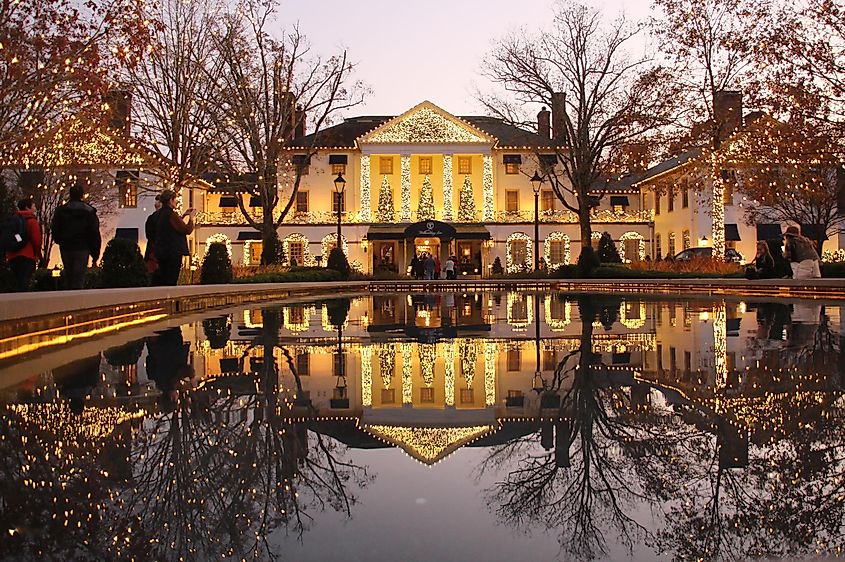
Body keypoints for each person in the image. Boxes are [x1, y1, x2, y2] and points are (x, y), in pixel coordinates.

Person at [51, 185, 101, 289]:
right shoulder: (89, 211)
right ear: (82, 195)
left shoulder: (61, 211)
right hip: (83, 247)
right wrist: (95, 253)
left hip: (66, 246)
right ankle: (76, 299)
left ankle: (68, 298)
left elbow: (55, 228)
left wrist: (59, 240)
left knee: (68, 274)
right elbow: (94, 232)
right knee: (79, 277)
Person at [153, 189, 195, 286]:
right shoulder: (171, 214)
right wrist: (191, 219)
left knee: (163, 278)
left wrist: (184, 215)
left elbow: (172, 225)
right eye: (175, 199)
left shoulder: (158, 214)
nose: (177, 201)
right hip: (173, 252)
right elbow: (186, 230)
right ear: (170, 201)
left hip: (161, 251)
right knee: (171, 279)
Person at [4, 197, 42, 291]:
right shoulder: (32, 221)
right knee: (24, 282)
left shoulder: (12, 220)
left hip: (12, 255)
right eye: (33, 206)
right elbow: (36, 240)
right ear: (27, 207)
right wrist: (39, 255)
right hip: (27, 256)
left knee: (16, 281)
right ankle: (23, 304)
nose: (35, 208)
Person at [144, 195, 163, 274]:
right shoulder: (154, 218)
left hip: (153, 250)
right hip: (156, 251)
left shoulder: (151, 218)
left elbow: (148, 234)